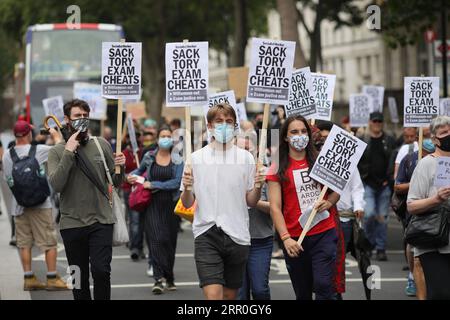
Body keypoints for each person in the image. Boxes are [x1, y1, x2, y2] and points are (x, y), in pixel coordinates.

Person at [180, 103, 265, 300]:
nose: (224, 125)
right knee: (213, 296)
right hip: (206, 233)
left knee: (229, 296)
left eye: (229, 121)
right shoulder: (195, 158)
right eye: (219, 121)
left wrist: (259, 186)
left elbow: (251, 202)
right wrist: (187, 187)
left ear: (235, 125)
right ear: (209, 126)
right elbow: (186, 202)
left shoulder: (246, 159)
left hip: (237, 235)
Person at [47, 99, 126, 300]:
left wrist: (121, 166)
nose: (82, 119)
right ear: (66, 119)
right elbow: (56, 185)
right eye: (77, 116)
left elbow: (115, 182)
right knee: (78, 279)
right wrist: (68, 151)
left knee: (101, 271)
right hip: (72, 224)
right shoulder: (57, 151)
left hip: (101, 220)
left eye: (85, 115)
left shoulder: (101, 144)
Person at [267, 115, 340, 300]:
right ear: (285, 137)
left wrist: (329, 203)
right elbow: (275, 207)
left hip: (324, 233)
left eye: (303, 131)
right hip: (295, 239)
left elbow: (336, 191)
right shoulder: (277, 167)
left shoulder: (322, 160)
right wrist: (285, 239)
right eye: (294, 132)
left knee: (324, 286)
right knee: (303, 293)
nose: (300, 135)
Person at [2, 120, 68, 291]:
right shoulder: (40, 150)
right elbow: (63, 150)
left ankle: (29, 278)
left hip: (19, 206)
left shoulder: (7, 155)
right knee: (49, 242)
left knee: (24, 243)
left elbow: (8, 180)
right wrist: (54, 135)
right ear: (28, 134)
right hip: (41, 204)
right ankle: (52, 278)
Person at [128, 126, 183, 294]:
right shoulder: (149, 156)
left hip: (171, 206)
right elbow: (139, 171)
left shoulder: (178, 159)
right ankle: (158, 279)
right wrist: (132, 176)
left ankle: (169, 276)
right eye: (163, 135)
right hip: (152, 204)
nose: (165, 138)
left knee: (168, 243)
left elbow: (176, 182)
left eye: (168, 136)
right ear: (158, 139)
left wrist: (154, 184)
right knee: (156, 241)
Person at [314, 120, 365, 299]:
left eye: (329, 138)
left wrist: (358, 206)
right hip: (320, 219)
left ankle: (335, 292)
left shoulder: (347, 163)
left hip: (344, 220)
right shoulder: (312, 161)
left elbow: (357, 187)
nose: (325, 142)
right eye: (321, 138)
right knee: (325, 261)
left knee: (337, 260)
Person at [407, 116, 450, 300]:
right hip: (434, 240)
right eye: (444, 133)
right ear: (434, 139)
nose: (449, 135)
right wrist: (436, 199)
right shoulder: (426, 164)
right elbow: (412, 205)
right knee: (440, 293)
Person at [395, 139, 435, 299]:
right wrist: (417, 181)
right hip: (416, 213)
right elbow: (397, 187)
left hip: (440, 215)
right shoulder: (410, 159)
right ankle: (413, 278)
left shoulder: (445, 160)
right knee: (414, 251)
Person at [236, 135, 273, 300]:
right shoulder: (227, 174)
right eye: (240, 149)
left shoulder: (266, 175)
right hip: (234, 241)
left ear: (255, 151)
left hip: (260, 240)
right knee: (239, 294)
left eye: (247, 149)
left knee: (260, 290)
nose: (244, 153)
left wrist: (252, 199)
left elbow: (275, 208)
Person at [358, 111, 396, 261]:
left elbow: (394, 159)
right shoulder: (362, 140)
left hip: (384, 184)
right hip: (368, 183)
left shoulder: (389, 140)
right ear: (369, 122)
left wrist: (390, 178)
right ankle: (369, 245)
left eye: (379, 121)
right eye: (374, 121)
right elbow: (358, 161)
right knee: (368, 215)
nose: (377, 124)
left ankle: (380, 248)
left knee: (382, 218)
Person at [121, 133, 145, 262]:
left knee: (141, 220)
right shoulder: (124, 154)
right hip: (129, 189)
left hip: (141, 189)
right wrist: (130, 176)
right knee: (134, 219)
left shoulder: (142, 153)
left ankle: (139, 246)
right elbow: (120, 172)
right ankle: (134, 247)